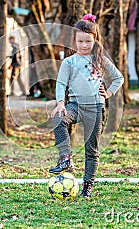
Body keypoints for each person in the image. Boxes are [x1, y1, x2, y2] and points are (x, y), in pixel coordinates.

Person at [49, 13, 124, 198]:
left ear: (95, 40)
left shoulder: (101, 61)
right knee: (59, 118)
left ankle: (87, 186)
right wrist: (60, 103)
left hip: (95, 108)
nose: (84, 45)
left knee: (91, 149)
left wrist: (109, 93)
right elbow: (60, 84)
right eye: (80, 41)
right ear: (74, 40)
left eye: (88, 42)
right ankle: (65, 158)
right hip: (74, 105)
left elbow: (118, 78)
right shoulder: (69, 62)